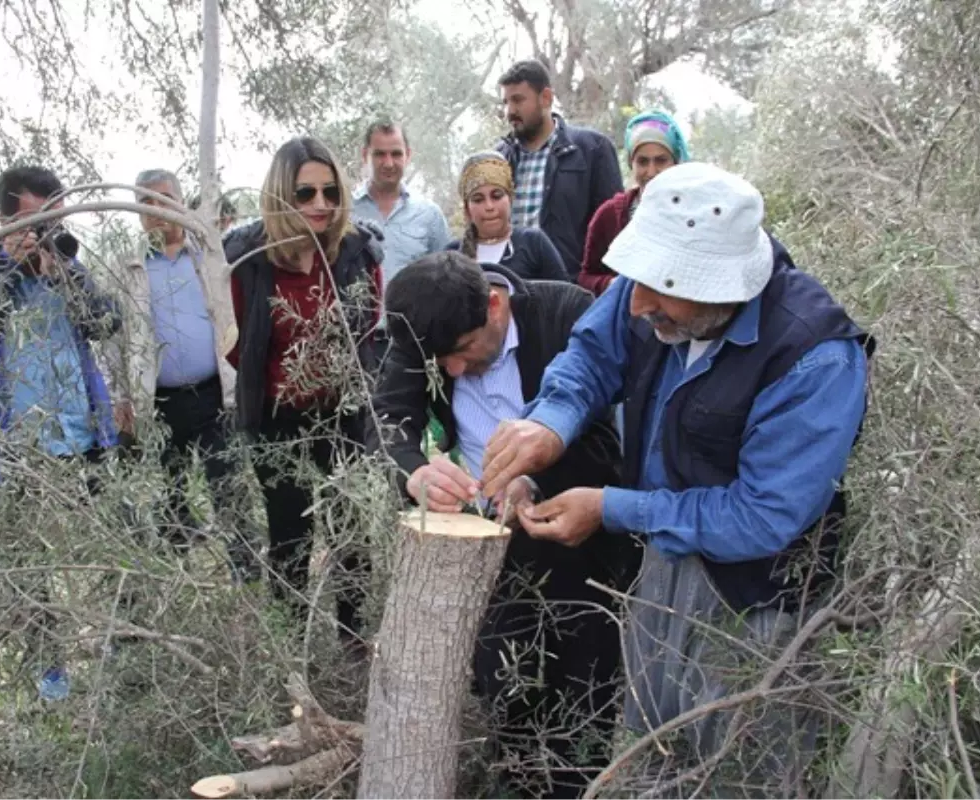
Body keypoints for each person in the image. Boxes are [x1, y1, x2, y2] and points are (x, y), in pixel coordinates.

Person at [481, 163, 874, 794]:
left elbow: (761, 517)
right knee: (651, 749)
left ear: (722, 286)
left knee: (739, 772)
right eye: (635, 282)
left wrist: (612, 509)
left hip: (759, 601)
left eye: (660, 290)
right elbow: (590, 357)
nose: (637, 303)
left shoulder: (815, 356)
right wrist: (548, 428)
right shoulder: (652, 286)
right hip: (662, 566)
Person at [370, 251, 640, 798]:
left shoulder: (566, 312)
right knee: (504, 677)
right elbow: (385, 420)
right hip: (488, 545)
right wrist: (415, 473)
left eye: (462, 353)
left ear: (495, 306)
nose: (450, 371)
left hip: (579, 533)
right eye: (439, 362)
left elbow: (606, 439)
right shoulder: (426, 328)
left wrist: (536, 480)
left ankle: (574, 786)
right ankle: (514, 778)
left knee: (583, 681)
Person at [0, 164, 122, 698]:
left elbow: (106, 321)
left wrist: (59, 273)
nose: (45, 231)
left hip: (79, 438)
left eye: (53, 219)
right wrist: (10, 265)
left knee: (118, 540)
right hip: (13, 449)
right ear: (3, 219)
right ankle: (51, 677)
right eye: (34, 221)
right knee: (29, 564)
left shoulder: (67, 265)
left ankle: (126, 649)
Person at [224, 136, 384, 649]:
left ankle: (352, 636)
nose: (321, 204)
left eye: (330, 191)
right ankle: (290, 642)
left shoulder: (360, 252)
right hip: (277, 420)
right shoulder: (247, 259)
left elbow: (372, 330)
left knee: (350, 528)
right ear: (280, 195)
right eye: (305, 193)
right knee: (289, 535)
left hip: (343, 417)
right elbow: (235, 341)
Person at [105, 169, 257, 578]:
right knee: (169, 497)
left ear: (181, 202)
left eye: (164, 199)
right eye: (145, 202)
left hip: (214, 396)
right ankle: (179, 583)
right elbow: (116, 339)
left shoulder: (209, 257)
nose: (155, 211)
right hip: (160, 404)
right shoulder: (128, 267)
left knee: (229, 490)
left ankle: (249, 577)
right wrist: (121, 396)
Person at [496, 59, 623, 278]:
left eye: (517, 100)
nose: (510, 111)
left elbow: (613, 230)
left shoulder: (593, 150)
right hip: (511, 290)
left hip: (572, 291)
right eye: (506, 102)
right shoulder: (499, 159)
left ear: (545, 98)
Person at [351, 120, 450, 363]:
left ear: (408, 155)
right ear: (365, 155)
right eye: (379, 154)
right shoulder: (344, 213)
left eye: (396, 153)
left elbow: (448, 284)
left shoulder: (430, 216)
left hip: (413, 348)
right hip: (356, 346)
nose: (388, 163)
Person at [579, 110, 690, 295]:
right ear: (632, 164)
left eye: (661, 160)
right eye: (642, 162)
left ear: (675, 162)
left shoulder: (694, 211)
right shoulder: (610, 215)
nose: (652, 171)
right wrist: (610, 284)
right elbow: (586, 276)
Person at [445, 151, 569, 283]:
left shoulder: (533, 243)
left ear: (510, 199)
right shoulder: (452, 256)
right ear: (467, 208)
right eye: (478, 199)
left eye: (497, 196)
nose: (489, 206)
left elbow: (566, 298)